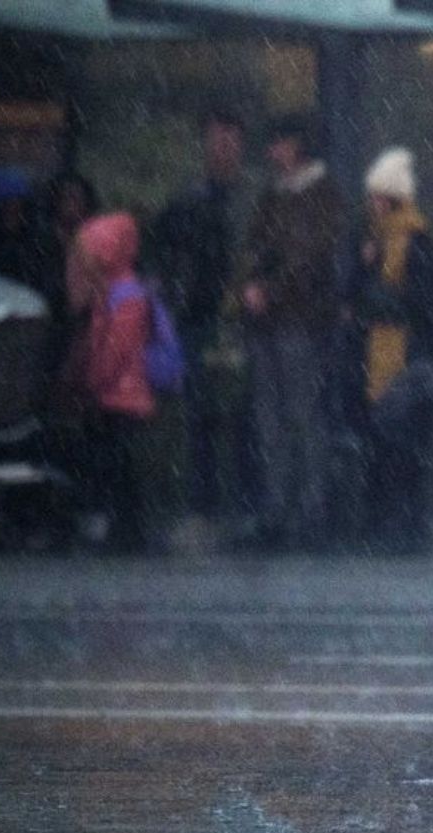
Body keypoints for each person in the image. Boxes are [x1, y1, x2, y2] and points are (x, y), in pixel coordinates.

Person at [149, 104, 256, 547]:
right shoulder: (187, 197)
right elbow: (163, 248)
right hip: (197, 318)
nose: (222, 146)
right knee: (200, 417)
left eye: (229, 138)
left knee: (245, 416)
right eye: (216, 137)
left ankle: (244, 506)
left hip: (241, 321)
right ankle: (206, 504)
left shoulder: (252, 196)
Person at [240, 114, 345, 551]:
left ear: (297, 146)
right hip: (269, 322)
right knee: (272, 418)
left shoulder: (322, 196)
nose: (272, 153)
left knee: (301, 414)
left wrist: (268, 287)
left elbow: (311, 255)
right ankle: (278, 508)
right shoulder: (273, 195)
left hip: (300, 319)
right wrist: (249, 284)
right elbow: (254, 245)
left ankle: (311, 508)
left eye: (279, 144)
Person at [348, 147, 433, 554]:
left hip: (404, 356)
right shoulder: (373, 242)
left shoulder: (416, 240)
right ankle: (387, 519)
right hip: (378, 354)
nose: (371, 205)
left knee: (404, 442)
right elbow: (353, 292)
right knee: (384, 440)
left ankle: (404, 521)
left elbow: (422, 301)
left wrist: (378, 299)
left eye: (377, 197)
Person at [65, 213, 156, 553]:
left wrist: (93, 380)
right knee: (115, 461)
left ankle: (128, 528)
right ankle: (125, 526)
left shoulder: (124, 295)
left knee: (116, 462)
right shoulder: (116, 290)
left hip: (121, 393)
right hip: (117, 393)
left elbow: (116, 350)